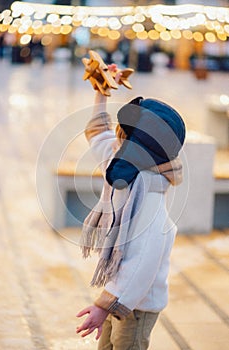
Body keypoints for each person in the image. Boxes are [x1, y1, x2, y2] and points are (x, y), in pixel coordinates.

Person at [76, 64, 186, 349]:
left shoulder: (149, 200)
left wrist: (103, 305)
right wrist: (101, 92)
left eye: (122, 134)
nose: (115, 138)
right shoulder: (125, 167)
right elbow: (98, 134)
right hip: (119, 293)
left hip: (138, 306)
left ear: (138, 145)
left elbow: (141, 265)